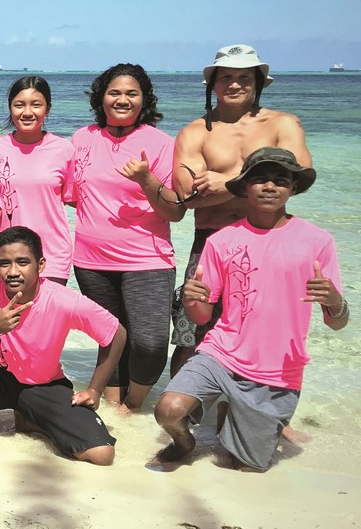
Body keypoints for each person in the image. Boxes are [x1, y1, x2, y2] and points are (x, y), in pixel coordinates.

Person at [155, 147, 346, 471]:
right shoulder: (222, 240)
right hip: (223, 351)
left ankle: (234, 413)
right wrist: (191, 300)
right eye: (259, 179)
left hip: (277, 368)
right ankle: (187, 442)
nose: (269, 186)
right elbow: (202, 316)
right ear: (245, 188)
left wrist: (334, 301)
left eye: (279, 180)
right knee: (168, 410)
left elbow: (337, 324)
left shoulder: (317, 241)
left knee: (247, 468)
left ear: (294, 188)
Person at [169, 45, 313, 376]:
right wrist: (254, 183)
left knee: (269, 327)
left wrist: (228, 182)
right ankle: (180, 403)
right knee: (190, 333)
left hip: (269, 240)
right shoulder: (195, 132)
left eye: (244, 77)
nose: (234, 84)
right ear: (213, 84)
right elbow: (187, 196)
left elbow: (301, 176)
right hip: (210, 241)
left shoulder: (283, 124)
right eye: (226, 77)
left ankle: (269, 411)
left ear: (258, 82)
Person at [0, 226, 125, 464]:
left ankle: (31, 418)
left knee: (102, 454)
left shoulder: (62, 299)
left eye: (22, 262)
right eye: (5, 263)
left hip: (42, 385)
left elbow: (116, 333)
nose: (13, 271)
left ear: (41, 265)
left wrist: (95, 389)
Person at [69, 63, 185, 412]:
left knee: (149, 343)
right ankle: (114, 405)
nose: (122, 100)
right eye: (114, 92)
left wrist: (147, 180)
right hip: (90, 261)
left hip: (146, 261)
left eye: (131, 93)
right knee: (110, 336)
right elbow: (68, 193)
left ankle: (133, 404)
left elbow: (176, 211)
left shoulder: (161, 143)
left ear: (144, 99)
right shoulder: (81, 138)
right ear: (101, 98)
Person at [0, 76, 75, 284]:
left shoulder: (64, 149)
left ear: (47, 109)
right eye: (19, 105)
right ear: (10, 108)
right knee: (12, 316)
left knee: (48, 316)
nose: (27, 112)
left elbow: (75, 199)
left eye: (36, 105)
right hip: (8, 257)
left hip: (52, 256)